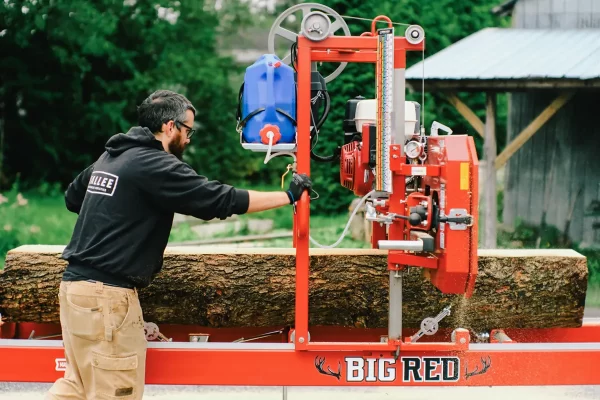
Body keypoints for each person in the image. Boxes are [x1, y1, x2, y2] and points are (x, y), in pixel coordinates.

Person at [46, 90, 312, 399]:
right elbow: (217, 199)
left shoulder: (113, 155)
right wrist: (289, 196)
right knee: (115, 392)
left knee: (75, 388)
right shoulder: (154, 164)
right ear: (170, 127)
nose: (188, 138)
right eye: (188, 130)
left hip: (74, 292)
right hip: (106, 299)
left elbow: (72, 197)